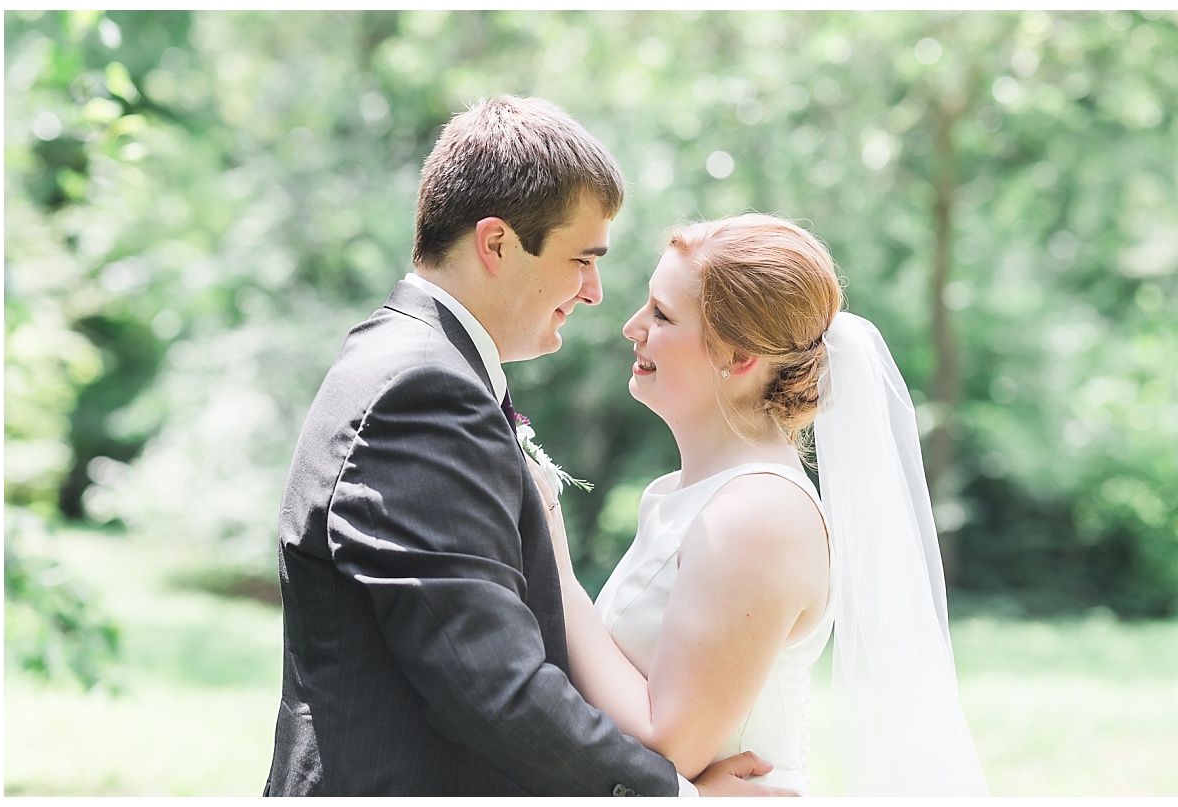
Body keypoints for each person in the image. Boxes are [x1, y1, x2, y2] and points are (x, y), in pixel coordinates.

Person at [262, 96, 790, 797]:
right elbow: (492, 686)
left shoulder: (414, 360)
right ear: (498, 243)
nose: (597, 293)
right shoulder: (422, 389)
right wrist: (679, 797)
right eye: (582, 259)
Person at [536, 213, 989, 796]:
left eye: (663, 315)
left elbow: (668, 742)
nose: (632, 326)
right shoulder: (687, 495)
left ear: (739, 358)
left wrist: (556, 568)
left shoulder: (757, 515)